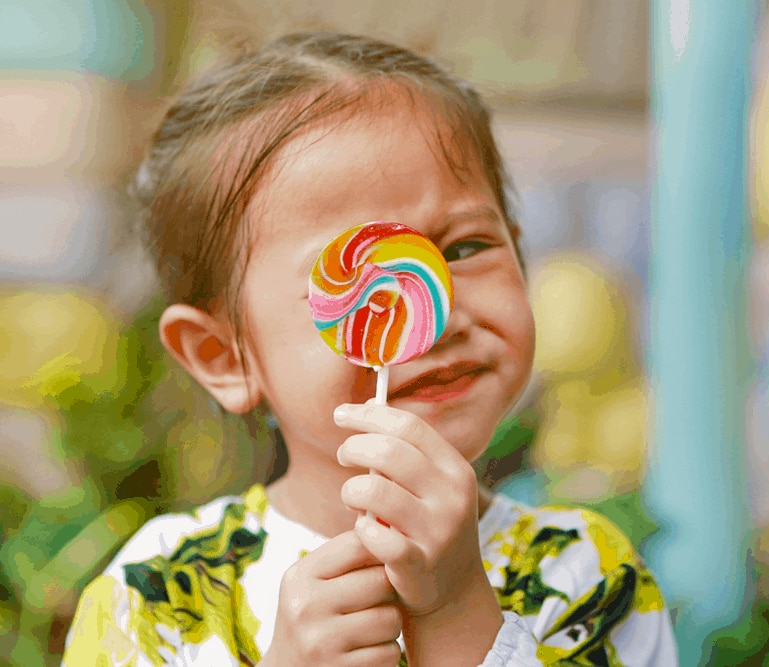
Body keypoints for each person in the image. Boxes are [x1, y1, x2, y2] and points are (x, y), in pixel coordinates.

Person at [61, 32, 679, 667]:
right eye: (354, 280)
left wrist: (459, 614)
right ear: (224, 355)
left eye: (465, 249)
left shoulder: (586, 576)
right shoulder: (156, 595)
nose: (431, 317)